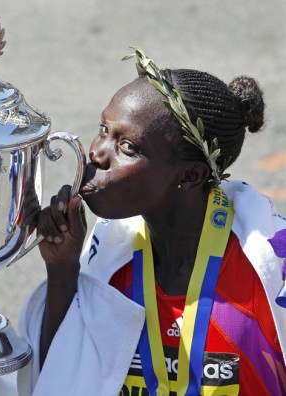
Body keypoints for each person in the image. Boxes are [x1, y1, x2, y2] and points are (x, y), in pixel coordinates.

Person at [18, 47, 286, 395]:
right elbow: (60, 378)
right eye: (104, 129)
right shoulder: (112, 262)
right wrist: (63, 268)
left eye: (128, 147)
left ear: (189, 175)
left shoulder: (268, 269)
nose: (97, 153)